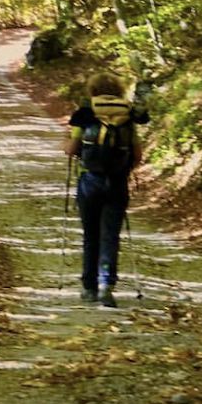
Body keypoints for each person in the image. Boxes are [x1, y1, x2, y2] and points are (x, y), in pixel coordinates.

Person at [64, 72, 146, 308]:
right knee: (110, 235)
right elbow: (138, 154)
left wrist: (64, 140)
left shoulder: (86, 114)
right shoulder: (128, 115)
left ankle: (88, 288)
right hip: (117, 183)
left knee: (91, 235)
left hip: (89, 181)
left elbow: (71, 149)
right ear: (119, 91)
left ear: (93, 91)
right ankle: (106, 287)